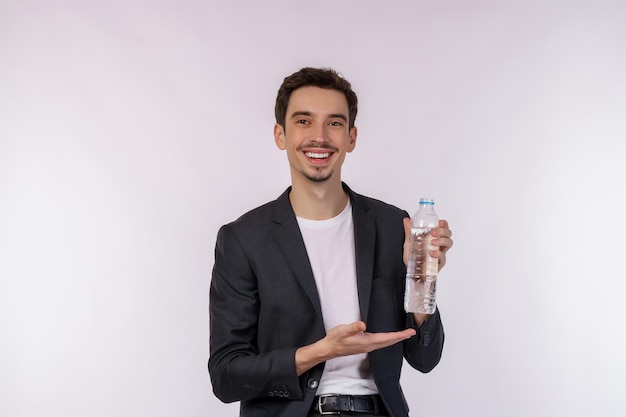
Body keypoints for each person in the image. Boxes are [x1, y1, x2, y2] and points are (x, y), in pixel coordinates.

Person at [209, 67, 453, 417]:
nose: (319, 137)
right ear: (280, 134)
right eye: (304, 121)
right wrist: (319, 352)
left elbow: (426, 358)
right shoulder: (244, 239)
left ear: (351, 138)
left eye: (335, 123)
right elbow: (226, 376)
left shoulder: (390, 224)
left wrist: (421, 277)